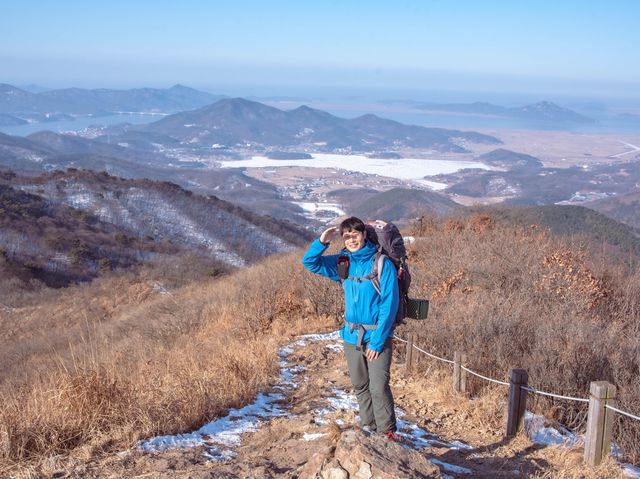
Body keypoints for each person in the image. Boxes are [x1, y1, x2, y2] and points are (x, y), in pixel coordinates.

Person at [302, 216, 399, 439]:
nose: (351, 240)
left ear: (364, 234)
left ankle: (387, 433)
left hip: (377, 335)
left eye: (355, 234)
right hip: (351, 334)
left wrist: (377, 341)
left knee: (378, 387)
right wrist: (322, 242)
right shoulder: (343, 263)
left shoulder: (381, 263)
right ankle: (368, 427)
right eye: (347, 236)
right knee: (360, 386)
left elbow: (389, 305)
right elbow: (310, 262)